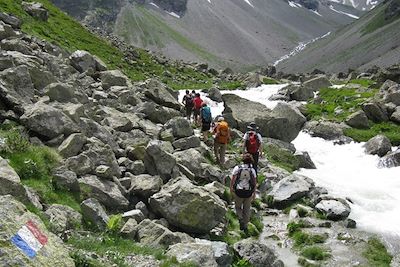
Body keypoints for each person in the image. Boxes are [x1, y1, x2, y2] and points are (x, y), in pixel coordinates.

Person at [230, 153, 257, 232]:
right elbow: (254, 182)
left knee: (238, 207)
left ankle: (240, 218)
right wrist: (254, 193)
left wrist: (231, 188)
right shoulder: (252, 170)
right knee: (247, 209)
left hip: (238, 191)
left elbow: (233, 179)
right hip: (248, 192)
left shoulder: (237, 168)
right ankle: (245, 226)